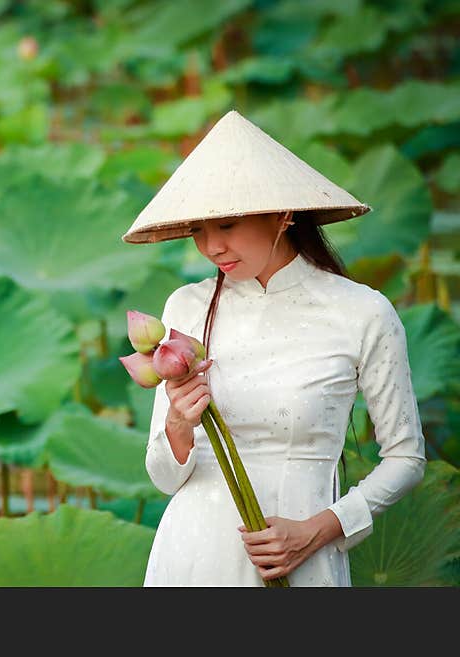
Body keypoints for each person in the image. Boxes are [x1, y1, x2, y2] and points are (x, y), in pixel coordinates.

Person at [122, 109, 427, 587]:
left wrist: (320, 530)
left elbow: (406, 459)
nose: (212, 247)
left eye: (227, 225)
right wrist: (178, 423)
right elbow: (164, 478)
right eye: (199, 231)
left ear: (283, 214)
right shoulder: (187, 307)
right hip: (192, 556)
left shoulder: (362, 312)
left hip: (303, 559)